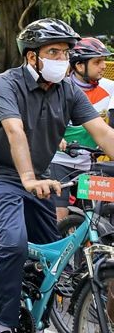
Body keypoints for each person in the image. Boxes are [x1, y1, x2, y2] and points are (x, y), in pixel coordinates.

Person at [0, 18, 114, 333]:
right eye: (53, 52)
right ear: (31, 56)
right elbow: (14, 131)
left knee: (55, 257)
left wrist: (35, 178)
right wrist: (27, 178)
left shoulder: (68, 90)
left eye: (65, 53)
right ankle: (1, 331)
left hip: (39, 176)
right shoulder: (8, 82)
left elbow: (101, 131)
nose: (61, 59)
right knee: (15, 243)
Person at [48, 36, 114, 221]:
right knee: (59, 215)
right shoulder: (58, 88)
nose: (104, 66)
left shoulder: (110, 88)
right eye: (97, 61)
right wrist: (54, 136)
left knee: (97, 218)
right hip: (58, 161)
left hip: (90, 162)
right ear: (78, 66)